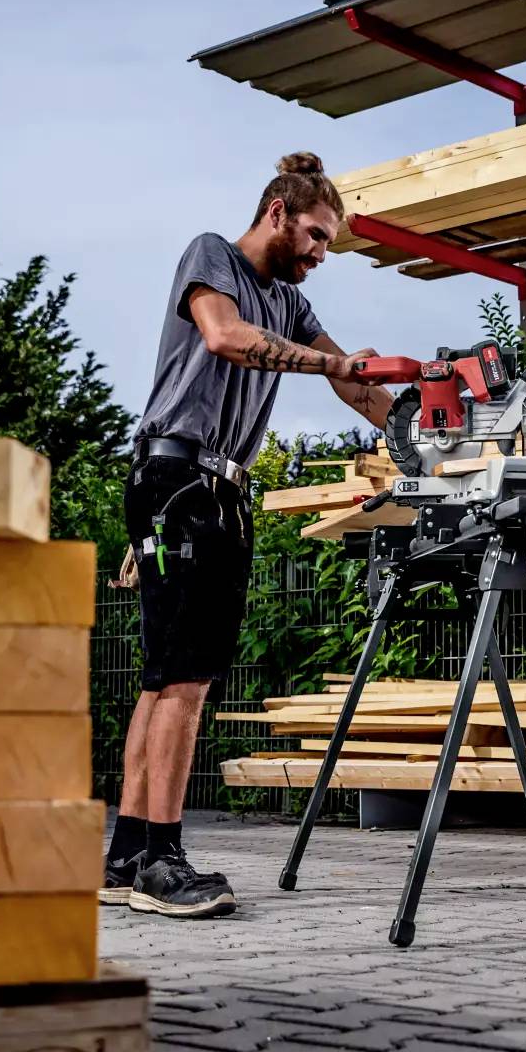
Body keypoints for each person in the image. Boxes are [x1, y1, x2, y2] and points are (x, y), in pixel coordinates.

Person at [104, 152, 396, 919]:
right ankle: (162, 863)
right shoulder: (215, 257)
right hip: (183, 481)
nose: (320, 254)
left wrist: (422, 414)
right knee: (188, 682)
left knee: (163, 679)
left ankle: (128, 853)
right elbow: (224, 337)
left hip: (206, 488)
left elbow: (347, 378)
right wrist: (336, 361)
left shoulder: (288, 303)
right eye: (316, 235)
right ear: (277, 213)